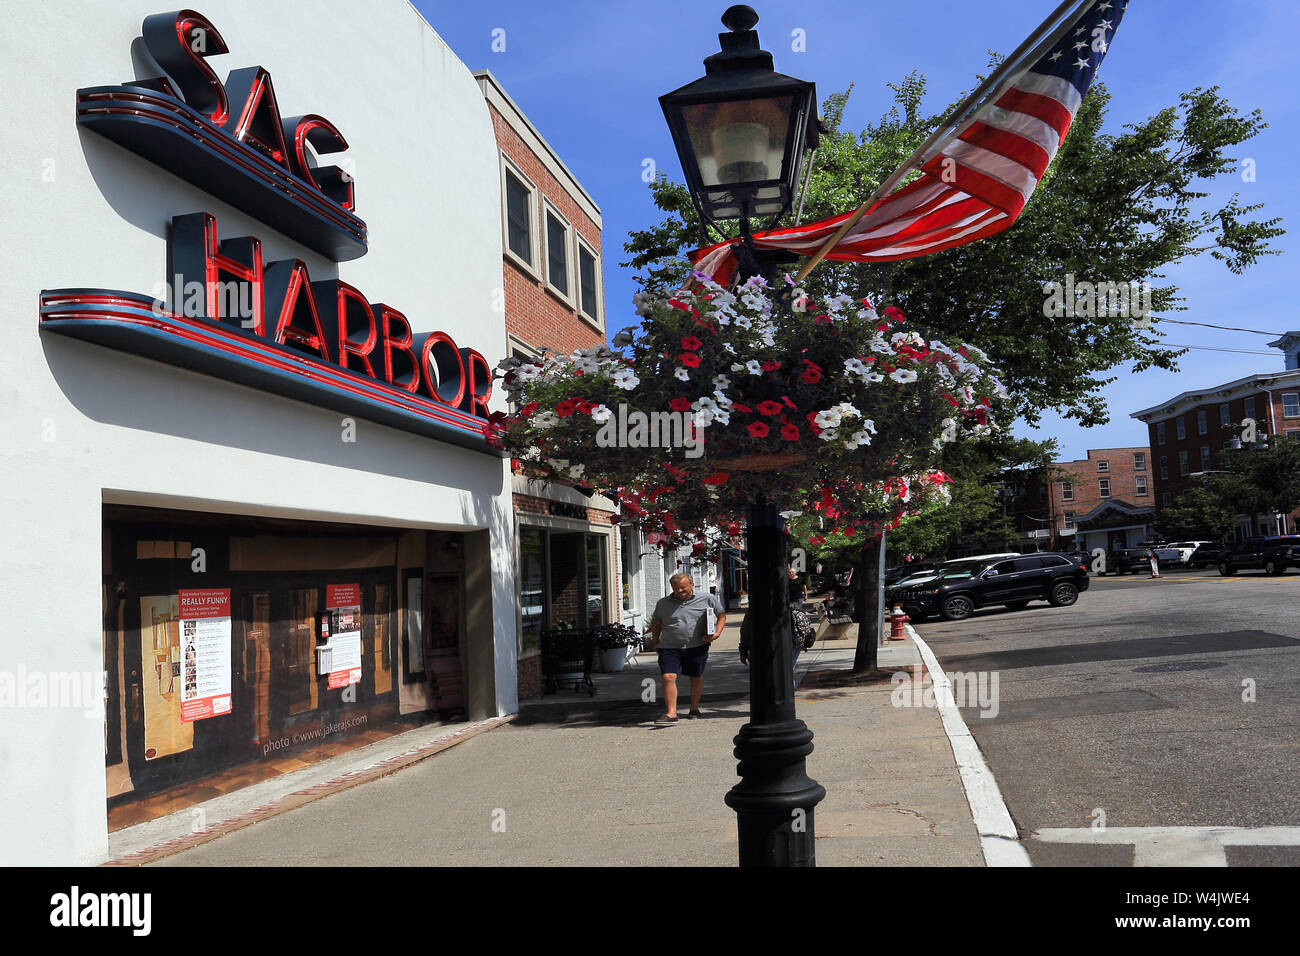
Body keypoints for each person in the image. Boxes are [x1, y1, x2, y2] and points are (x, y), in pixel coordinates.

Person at [648, 573, 725, 723]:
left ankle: (694, 708)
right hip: (669, 646)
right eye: (676, 588)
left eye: (683, 587)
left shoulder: (707, 598)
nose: (680, 591)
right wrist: (655, 642)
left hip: (697, 645)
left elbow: (721, 615)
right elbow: (656, 624)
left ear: (691, 585)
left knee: (696, 676)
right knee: (668, 676)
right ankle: (671, 713)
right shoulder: (663, 603)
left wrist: (717, 633)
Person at [738, 607, 806, 691]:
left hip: (767, 645)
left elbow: (745, 630)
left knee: (767, 675)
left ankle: (779, 693)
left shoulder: (756, 607)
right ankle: (787, 691)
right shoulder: (793, 604)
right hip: (792, 641)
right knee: (788, 671)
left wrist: (743, 651)